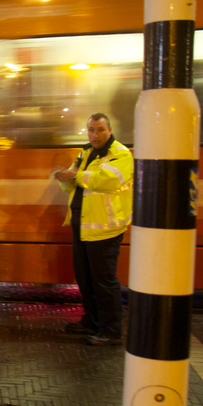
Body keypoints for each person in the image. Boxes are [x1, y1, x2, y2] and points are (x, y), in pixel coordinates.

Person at [54, 113, 133, 345]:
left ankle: (111, 330)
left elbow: (106, 179)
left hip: (105, 229)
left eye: (99, 130)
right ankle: (92, 321)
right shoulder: (86, 152)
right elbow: (72, 183)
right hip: (82, 226)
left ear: (109, 130)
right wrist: (65, 178)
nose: (94, 135)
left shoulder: (120, 154)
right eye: (90, 130)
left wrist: (75, 175)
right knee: (85, 279)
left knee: (104, 281)